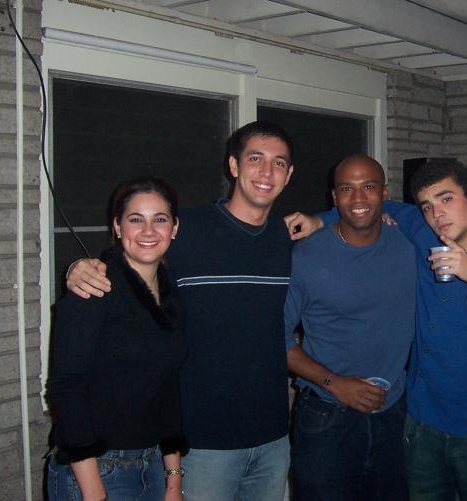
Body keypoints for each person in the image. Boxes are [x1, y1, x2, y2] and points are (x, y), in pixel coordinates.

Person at [294, 158, 467, 501]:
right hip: (420, 423)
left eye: (447, 199)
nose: (437, 214)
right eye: (427, 206)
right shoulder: (422, 232)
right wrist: (319, 220)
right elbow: (367, 205)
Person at [64, 121, 295, 501]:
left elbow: (356, 219)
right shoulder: (186, 231)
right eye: (255, 159)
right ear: (234, 166)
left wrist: (324, 220)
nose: (267, 172)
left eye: (279, 163)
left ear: (289, 174)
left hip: (273, 438)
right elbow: (133, 255)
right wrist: (78, 268)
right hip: (202, 442)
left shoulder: (287, 238)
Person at [46, 176, 187, 501]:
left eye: (160, 219)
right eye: (136, 219)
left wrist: (173, 480)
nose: (148, 231)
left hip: (153, 465)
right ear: (118, 227)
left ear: (174, 228)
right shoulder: (93, 288)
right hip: (96, 470)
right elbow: (66, 391)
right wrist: (95, 493)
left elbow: (168, 388)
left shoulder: (170, 296)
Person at [284, 154, 415, 501]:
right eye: (347, 188)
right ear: (334, 197)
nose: (358, 198)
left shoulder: (409, 246)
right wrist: (335, 383)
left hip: (393, 412)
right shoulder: (306, 257)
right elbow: (274, 339)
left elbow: (462, 224)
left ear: (384, 193)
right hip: (327, 415)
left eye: (368, 187)